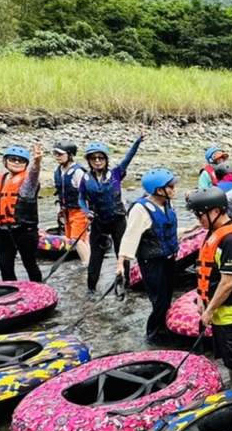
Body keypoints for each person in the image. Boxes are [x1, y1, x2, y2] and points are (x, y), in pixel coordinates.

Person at [187, 188, 232, 388]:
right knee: (230, 359)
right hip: (222, 311)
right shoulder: (216, 232)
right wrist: (202, 298)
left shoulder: (231, 241)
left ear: (215, 211)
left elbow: (228, 283)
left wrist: (208, 312)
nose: (198, 219)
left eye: (200, 215)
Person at [118, 168, 179, 343]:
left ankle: (163, 328)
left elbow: (165, 230)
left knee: (167, 296)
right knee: (159, 299)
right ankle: (152, 334)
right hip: (151, 261)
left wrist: (187, 231)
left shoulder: (167, 204)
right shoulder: (140, 209)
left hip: (168, 258)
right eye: (171, 187)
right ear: (160, 190)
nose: (174, 189)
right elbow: (130, 237)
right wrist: (121, 263)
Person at [80, 135, 142, 293]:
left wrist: (137, 141)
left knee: (122, 253)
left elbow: (129, 157)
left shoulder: (116, 173)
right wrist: (87, 212)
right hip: (98, 222)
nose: (97, 161)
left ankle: (126, 284)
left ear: (106, 159)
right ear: (89, 160)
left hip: (118, 220)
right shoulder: (85, 178)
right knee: (96, 256)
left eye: (101, 157)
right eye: (93, 158)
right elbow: (80, 198)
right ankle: (91, 289)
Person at [0, 143, 44, 283]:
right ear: (5, 161)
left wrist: (37, 161)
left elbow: (34, 173)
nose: (17, 162)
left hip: (24, 231)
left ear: (26, 164)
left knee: (30, 264)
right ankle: (12, 294)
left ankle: (40, 290)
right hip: (3, 232)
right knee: (5, 267)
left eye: (21, 160)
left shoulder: (27, 183)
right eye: (13, 159)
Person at [52, 141, 90, 266]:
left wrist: (89, 212)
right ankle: (90, 261)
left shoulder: (78, 172)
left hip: (79, 210)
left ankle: (87, 265)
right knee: (77, 238)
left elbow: (87, 193)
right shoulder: (58, 171)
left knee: (76, 239)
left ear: (70, 155)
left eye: (60, 154)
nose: (57, 156)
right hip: (67, 211)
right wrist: (60, 209)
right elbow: (59, 192)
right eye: (55, 153)